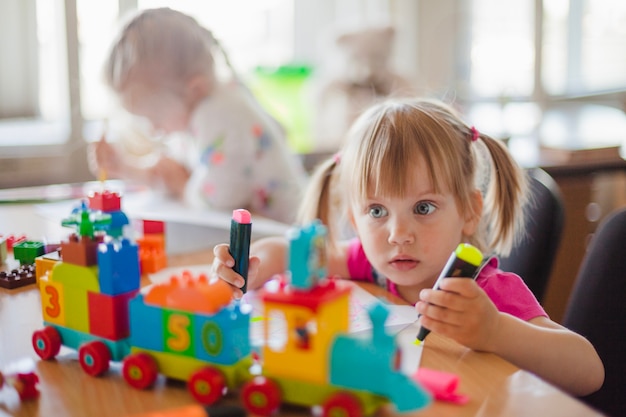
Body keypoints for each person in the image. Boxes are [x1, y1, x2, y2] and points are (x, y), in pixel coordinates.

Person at [212, 97, 604, 397]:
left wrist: (496, 330)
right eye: (377, 210)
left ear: (469, 210)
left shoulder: (487, 292)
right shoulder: (372, 263)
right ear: (354, 216)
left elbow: (589, 371)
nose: (399, 233)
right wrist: (253, 266)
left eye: (423, 207)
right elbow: (289, 253)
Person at [89, 8, 306, 224]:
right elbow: (176, 172)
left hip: (285, 236)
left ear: (195, 88)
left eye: (155, 117)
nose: (154, 129)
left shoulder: (220, 116)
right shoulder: (195, 109)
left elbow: (218, 199)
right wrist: (125, 167)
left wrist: (182, 186)